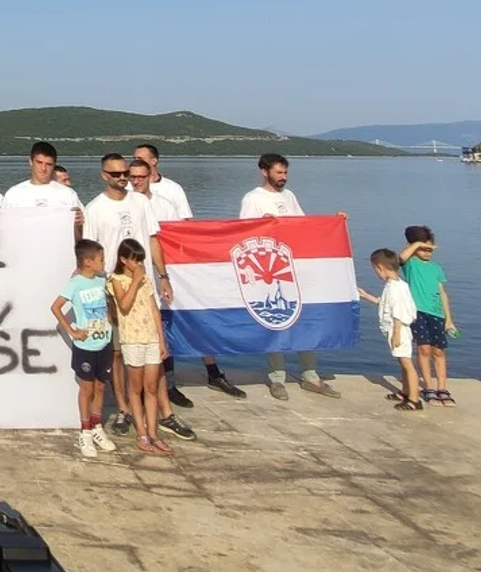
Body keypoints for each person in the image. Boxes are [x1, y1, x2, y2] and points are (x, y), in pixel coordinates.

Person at [81, 155, 193, 442]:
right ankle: (124, 410)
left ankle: (166, 413)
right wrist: (100, 296)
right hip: (115, 291)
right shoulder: (94, 209)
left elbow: (153, 239)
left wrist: (163, 275)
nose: (122, 178)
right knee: (118, 354)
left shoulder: (141, 202)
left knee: (155, 350)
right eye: (116, 174)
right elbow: (92, 256)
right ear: (104, 175)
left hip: (145, 288)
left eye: (125, 173)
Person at [128, 158, 243, 401]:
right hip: (136, 275)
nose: (136, 181)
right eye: (133, 177)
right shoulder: (124, 203)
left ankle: (212, 372)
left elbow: (181, 237)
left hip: (166, 272)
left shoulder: (164, 204)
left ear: (150, 176)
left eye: (141, 176)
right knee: (150, 329)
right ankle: (164, 383)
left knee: (184, 317)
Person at [241, 153, 339, 401]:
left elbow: (303, 226)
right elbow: (242, 233)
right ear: (265, 172)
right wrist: (260, 225)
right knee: (275, 321)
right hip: (268, 271)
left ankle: (310, 375)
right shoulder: (253, 199)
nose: (283, 177)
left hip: (293, 269)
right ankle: (277, 378)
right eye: (279, 173)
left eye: (285, 173)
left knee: (303, 320)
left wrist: (333, 223)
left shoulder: (289, 196)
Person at [50, 238, 116, 459]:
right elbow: (56, 307)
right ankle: (85, 430)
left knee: (100, 387)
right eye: (100, 259)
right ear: (88, 261)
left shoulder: (102, 280)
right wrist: (72, 330)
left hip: (104, 341)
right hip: (85, 346)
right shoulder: (76, 284)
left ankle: (97, 426)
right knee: (86, 388)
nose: (103, 263)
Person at [109, 238, 171, 455]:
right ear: (124, 260)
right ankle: (141, 432)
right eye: (135, 261)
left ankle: (153, 432)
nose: (139, 265)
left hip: (150, 337)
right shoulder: (116, 280)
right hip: (132, 339)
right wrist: (135, 280)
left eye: (141, 261)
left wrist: (161, 340)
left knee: (151, 387)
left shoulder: (146, 280)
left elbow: (154, 310)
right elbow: (124, 305)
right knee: (135, 388)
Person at [398, 226, 456, 406]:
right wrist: (416, 244)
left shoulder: (436, 269)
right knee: (423, 349)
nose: (427, 252)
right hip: (418, 312)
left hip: (436, 313)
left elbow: (442, 293)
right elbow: (401, 258)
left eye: (430, 249)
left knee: (438, 351)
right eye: (423, 249)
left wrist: (449, 319)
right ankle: (428, 387)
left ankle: (442, 388)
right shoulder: (411, 264)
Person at [370, 248, 423, 412]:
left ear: (380, 267)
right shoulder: (394, 285)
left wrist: (397, 333)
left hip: (399, 330)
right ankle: (405, 391)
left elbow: (398, 311)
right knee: (402, 361)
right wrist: (366, 296)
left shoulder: (396, 288)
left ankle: (414, 399)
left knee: (407, 363)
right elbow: (386, 304)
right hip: (395, 329)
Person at [2, 143, 85, 232]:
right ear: (30, 162)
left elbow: (83, 231)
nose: (43, 168)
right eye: (39, 162)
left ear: (54, 165)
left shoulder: (67, 194)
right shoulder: (14, 194)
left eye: (48, 164)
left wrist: (79, 224)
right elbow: (3, 228)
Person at [133, 143, 194, 220]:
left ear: (154, 161)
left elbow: (184, 219)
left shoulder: (173, 188)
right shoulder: (128, 186)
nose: (136, 162)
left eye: (140, 159)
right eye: (134, 159)